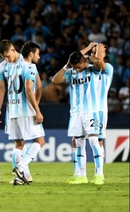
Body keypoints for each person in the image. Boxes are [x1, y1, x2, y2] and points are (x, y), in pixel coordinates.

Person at [52, 44, 106, 185]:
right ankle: (80, 175)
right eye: (74, 66)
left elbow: (100, 63)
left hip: (90, 111)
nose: (76, 68)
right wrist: (67, 66)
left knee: (94, 140)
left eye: (78, 65)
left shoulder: (92, 70)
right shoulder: (72, 72)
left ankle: (99, 174)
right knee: (78, 142)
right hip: (75, 113)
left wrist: (86, 56)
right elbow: (55, 80)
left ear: (84, 62)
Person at [65, 42, 112, 185]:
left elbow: (98, 62)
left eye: (97, 53)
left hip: (99, 109)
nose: (94, 55)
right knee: (76, 140)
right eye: (92, 54)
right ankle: (78, 173)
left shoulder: (106, 68)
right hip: (83, 109)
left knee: (97, 140)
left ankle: (99, 173)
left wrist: (93, 53)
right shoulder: (85, 68)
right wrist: (82, 57)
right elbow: (77, 61)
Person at [0, 40, 39, 185]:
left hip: (24, 108)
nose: (6, 60)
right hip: (13, 110)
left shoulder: (25, 60)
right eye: (3, 57)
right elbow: (1, 88)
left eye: (7, 56)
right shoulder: (5, 66)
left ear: (14, 50)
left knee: (21, 144)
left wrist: (36, 106)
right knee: (20, 143)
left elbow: (38, 86)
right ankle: (21, 173)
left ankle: (21, 175)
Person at [6, 41, 45, 185]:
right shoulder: (30, 66)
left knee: (18, 144)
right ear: (31, 54)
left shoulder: (12, 68)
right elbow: (29, 89)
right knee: (40, 141)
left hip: (13, 111)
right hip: (26, 111)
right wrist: (37, 110)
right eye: (38, 54)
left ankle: (20, 178)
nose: (39, 57)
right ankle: (21, 167)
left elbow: (38, 86)